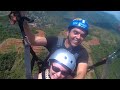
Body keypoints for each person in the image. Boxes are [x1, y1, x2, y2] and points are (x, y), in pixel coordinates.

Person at [10, 11, 89, 79]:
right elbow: (33, 40)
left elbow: (81, 74)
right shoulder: (56, 41)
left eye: (82, 35)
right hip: (47, 74)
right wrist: (23, 21)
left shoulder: (82, 53)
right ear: (68, 32)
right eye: (75, 32)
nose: (78, 37)